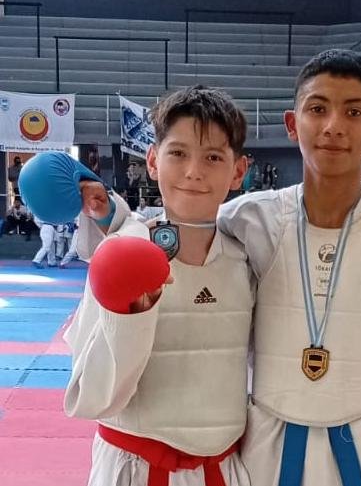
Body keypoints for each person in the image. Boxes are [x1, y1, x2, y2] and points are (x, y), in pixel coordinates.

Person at [218, 49, 361, 486]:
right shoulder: (250, 220)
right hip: (266, 452)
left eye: (354, 112)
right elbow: (176, 234)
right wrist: (112, 218)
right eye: (318, 109)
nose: (334, 126)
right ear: (293, 124)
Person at [21, 86, 254, 486]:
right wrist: (129, 315)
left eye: (213, 157)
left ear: (238, 171)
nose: (194, 171)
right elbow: (89, 396)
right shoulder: (122, 252)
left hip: (223, 468)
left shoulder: (250, 256)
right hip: (133, 467)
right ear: (152, 160)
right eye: (178, 153)